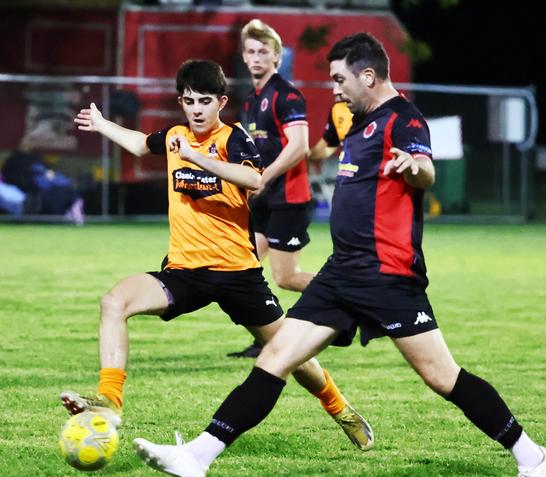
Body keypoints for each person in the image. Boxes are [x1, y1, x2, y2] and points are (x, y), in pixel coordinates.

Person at [132, 35, 546, 477]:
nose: (334, 90)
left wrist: (413, 167)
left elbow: (425, 169)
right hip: (340, 274)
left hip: (387, 275)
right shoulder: (356, 123)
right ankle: (198, 456)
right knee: (276, 357)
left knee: (441, 377)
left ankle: (533, 456)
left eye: (340, 80)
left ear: (368, 76)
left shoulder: (403, 119)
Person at [59, 59, 373, 454]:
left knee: (289, 354)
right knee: (114, 301)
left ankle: (339, 407)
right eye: (189, 101)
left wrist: (198, 158)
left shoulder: (234, 138)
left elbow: (255, 179)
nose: (196, 109)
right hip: (185, 272)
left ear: (221, 101)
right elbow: (141, 143)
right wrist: (103, 124)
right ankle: (111, 401)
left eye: (205, 101)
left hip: (237, 273)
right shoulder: (176, 135)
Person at [227, 19, 314, 359]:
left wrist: (265, 178)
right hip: (264, 200)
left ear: (277, 56)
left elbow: (299, 146)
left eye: (264, 51)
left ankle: (349, 297)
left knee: (286, 277)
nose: (257, 57)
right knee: (242, 268)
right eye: (251, 51)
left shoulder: (286, 95)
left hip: (288, 199)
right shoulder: (251, 99)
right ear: (244, 57)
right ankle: (266, 337)